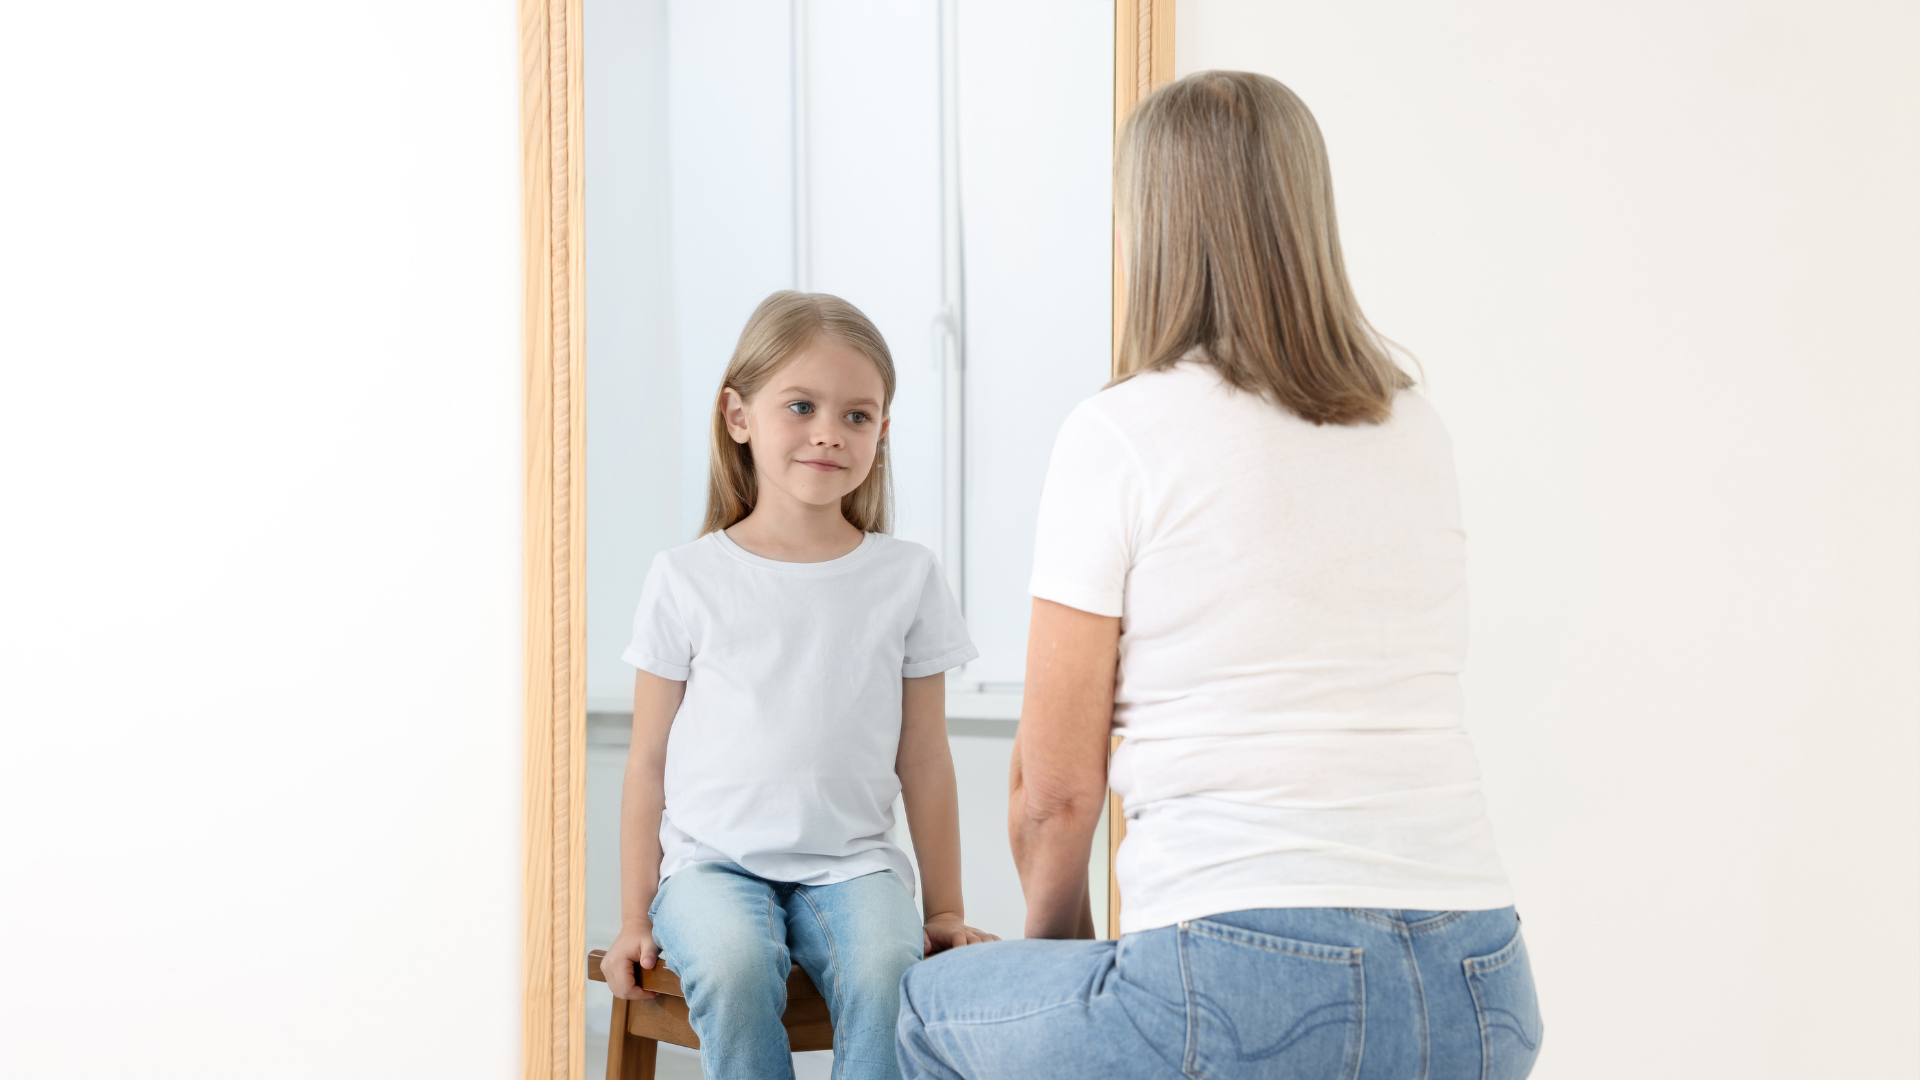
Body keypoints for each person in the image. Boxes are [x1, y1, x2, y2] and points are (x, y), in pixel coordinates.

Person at [896, 72, 1543, 1080]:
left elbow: (1057, 790)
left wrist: (1058, 951)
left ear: (1150, 227)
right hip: (1481, 984)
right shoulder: (1413, 422)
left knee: (929, 1011)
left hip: (1243, 973)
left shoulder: (1122, 430)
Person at [599, 291, 997, 1080]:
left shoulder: (906, 577)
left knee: (890, 972)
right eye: (802, 406)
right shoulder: (686, 578)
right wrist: (632, 917)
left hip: (855, 865)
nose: (829, 432)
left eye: (857, 415)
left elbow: (924, 758)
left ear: (882, 432)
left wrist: (945, 909)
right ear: (738, 415)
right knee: (738, 966)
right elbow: (648, 762)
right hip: (710, 866)